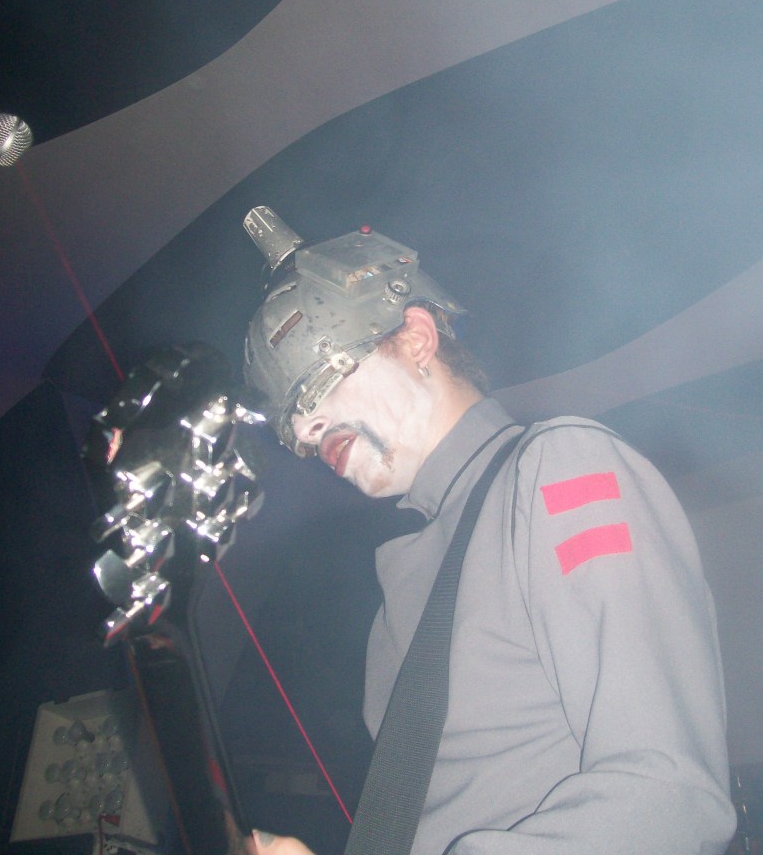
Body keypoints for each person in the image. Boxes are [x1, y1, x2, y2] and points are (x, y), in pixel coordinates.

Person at [238, 206, 735, 855]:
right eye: (294, 425)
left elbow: (669, 796)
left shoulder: (559, 469)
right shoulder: (398, 599)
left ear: (416, 340)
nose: (308, 432)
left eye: (322, 383)